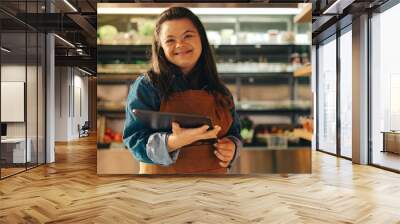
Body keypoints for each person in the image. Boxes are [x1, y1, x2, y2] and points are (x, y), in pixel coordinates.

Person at [123, 7, 242, 174]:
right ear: (160, 47)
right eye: (170, 40)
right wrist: (172, 142)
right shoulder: (147, 86)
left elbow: (235, 133)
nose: (180, 44)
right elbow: (133, 140)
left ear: (201, 38)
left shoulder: (219, 89)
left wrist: (232, 147)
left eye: (188, 36)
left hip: (214, 190)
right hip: (162, 193)